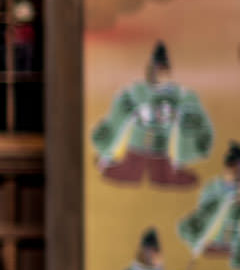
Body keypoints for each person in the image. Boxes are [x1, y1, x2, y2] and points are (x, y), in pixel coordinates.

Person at [91, 41, 213, 187]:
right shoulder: (137, 91)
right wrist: (105, 150)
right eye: (158, 70)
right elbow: (118, 115)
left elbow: (193, 116)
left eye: (164, 71)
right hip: (137, 145)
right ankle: (114, 163)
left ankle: (171, 167)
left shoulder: (179, 95)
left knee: (163, 176)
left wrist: (180, 118)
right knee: (126, 174)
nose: (161, 75)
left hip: (160, 148)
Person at [174, 142, 240, 256]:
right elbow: (203, 213)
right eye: (229, 164)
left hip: (235, 238)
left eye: (236, 165)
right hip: (213, 236)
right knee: (184, 227)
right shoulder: (213, 187)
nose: (232, 169)